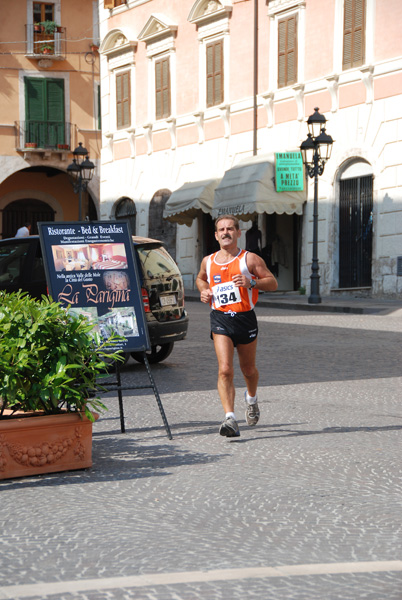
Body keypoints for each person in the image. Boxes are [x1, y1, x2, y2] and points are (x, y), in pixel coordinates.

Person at [196, 215, 278, 437]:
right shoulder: (208, 261)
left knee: (248, 370)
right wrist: (203, 290)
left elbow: (272, 282)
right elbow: (201, 278)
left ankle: (251, 399)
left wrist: (252, 282)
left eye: (230, 229)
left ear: (238, 233)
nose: (225, 232)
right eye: (221, 229)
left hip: (245, 318)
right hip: (220, 318)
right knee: (225, 369)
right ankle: (230, 418)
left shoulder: (250, 259)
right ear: (216, 235)